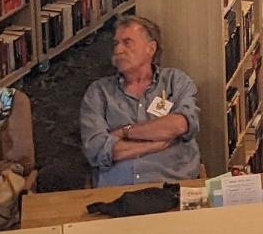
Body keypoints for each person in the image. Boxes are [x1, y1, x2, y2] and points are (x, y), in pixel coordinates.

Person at [79, 14, 201, 186]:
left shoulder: (175, 81)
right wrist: (154, 145)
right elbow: (97, 149)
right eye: (116, 43)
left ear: (150, 49)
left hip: (172, 184)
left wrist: (124, 132)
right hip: (117, 192)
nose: (118, 50)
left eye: (127, 42)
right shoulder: (98, 93)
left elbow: (180, 125)